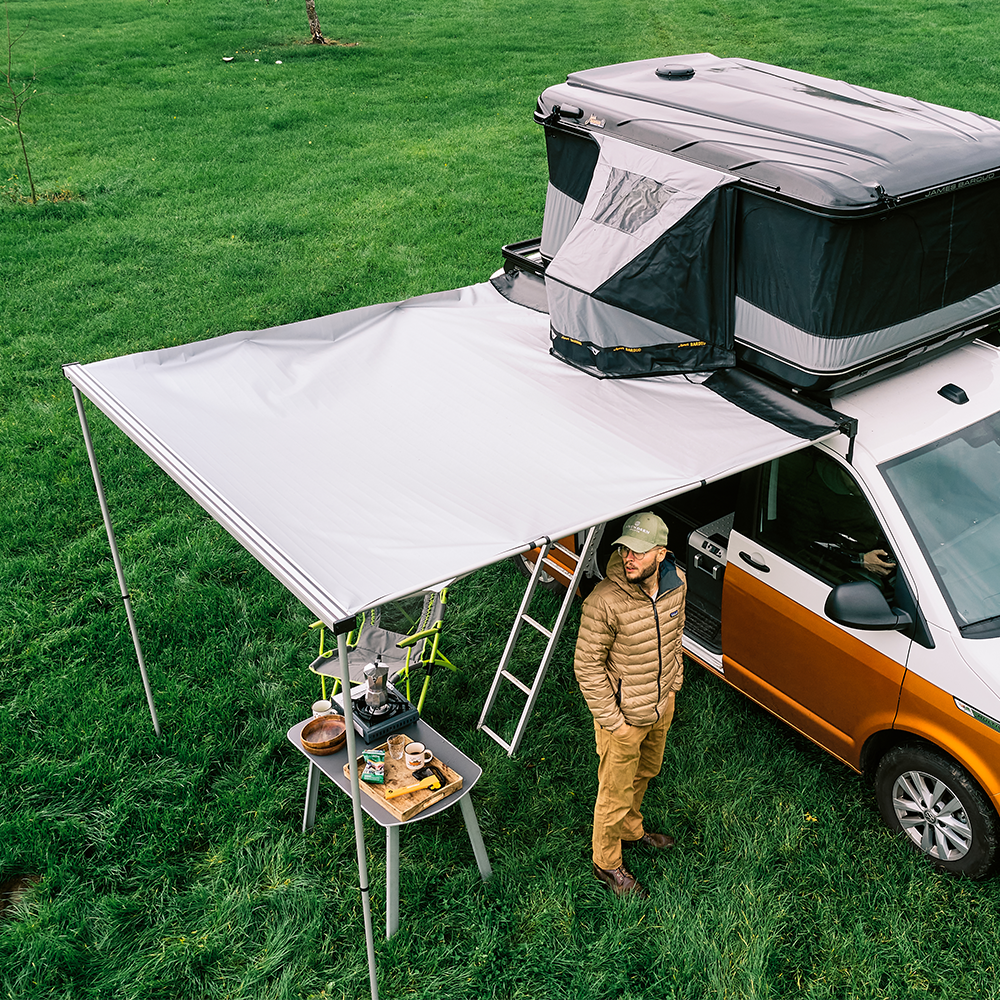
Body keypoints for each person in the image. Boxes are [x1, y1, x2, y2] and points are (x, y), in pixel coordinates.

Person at [573, 511, 686, 898]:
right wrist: (614, 723)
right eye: (624, 549)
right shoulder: (603, 602)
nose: (628, 558)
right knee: (614, 790)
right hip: (622, 717)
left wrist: (673, 686)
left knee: (647, 771)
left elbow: (676, 634)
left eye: (638, 552)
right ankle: (606, 862)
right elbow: (586, 668)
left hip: (660, 706)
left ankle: (630, 829)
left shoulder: (678, 585)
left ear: (661, 554)